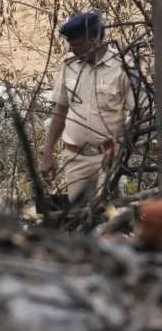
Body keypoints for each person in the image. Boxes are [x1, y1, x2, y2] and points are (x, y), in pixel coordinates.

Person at [40, 12, 135, 202]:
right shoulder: (70, 64)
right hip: (75, 159)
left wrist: (119, 145)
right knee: (76, 215)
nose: (73, 50)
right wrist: (48, 151)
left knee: (107, 211)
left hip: (109, 158)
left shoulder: (123, 66)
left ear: (94, 40)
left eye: (77, 45)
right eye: (70, 45)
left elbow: (138, 113)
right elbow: (61, 110)